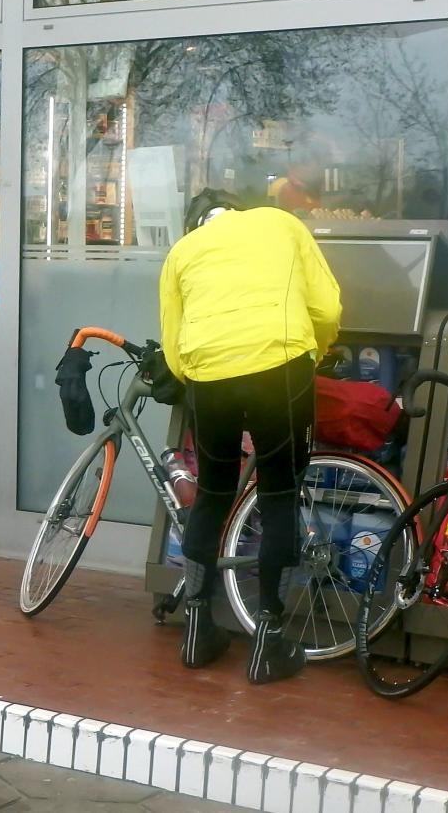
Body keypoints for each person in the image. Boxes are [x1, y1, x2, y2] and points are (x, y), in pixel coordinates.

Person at [158, 188, 342, 684]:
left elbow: (175, 348)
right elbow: (326, 308)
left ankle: (197, 629)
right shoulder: (280, 224)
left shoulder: (181, 252)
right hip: (279, 366)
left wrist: (200, 373)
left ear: (198, 222)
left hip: (208, 378)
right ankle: (270, 640)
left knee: (214, 493)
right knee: (279, 493)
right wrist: (315, 354)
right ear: (238, 209)